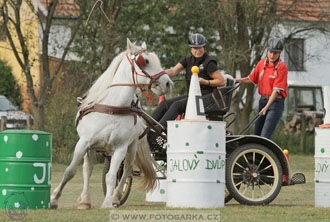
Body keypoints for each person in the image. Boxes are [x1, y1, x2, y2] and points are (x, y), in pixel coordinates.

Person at [151, 33, 226, 130]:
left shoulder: (209, 63)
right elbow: (173, 71)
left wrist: (205, 82)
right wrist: (158, 74)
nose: (198, 51)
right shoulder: (187, 59)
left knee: (177, 105)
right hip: (192, 95)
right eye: (195, 48)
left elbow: (221, 82)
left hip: (207, 97)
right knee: (164, 104)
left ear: (204, 47)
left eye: (200, 48)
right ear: (190, 49)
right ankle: (148, 128)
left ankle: (159, 130)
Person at [236, 38, 288, 139]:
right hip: (263, 101)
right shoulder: (261, 64)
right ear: (267, 51)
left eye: (275, 53)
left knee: (264, 136)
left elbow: (276, 91)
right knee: (256, 135)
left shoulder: (281, 67)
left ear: (280, 53)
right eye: (270, 52)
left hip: (275, 103)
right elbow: (251, 79)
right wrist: (237, 80)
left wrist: (266, 107)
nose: (272, 56)